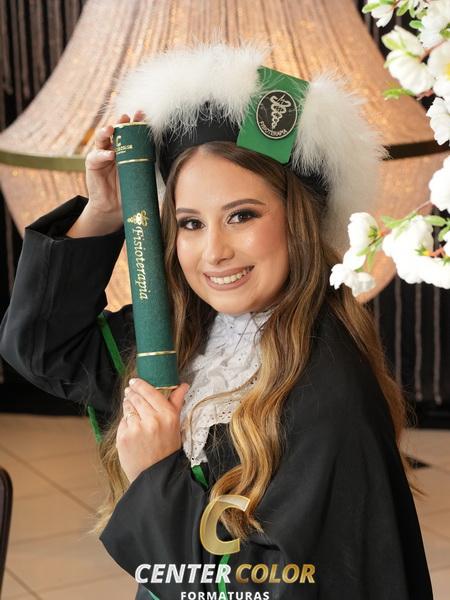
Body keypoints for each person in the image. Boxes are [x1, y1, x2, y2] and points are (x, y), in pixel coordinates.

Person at [0, 43, 433, 599]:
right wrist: (104, 212)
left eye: (242, 215)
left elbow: (272, 587)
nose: (215, 252)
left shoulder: (328, 393)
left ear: (298, 220)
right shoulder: (193, 334)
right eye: (190, 223)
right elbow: (43, 347)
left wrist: (156, 476)